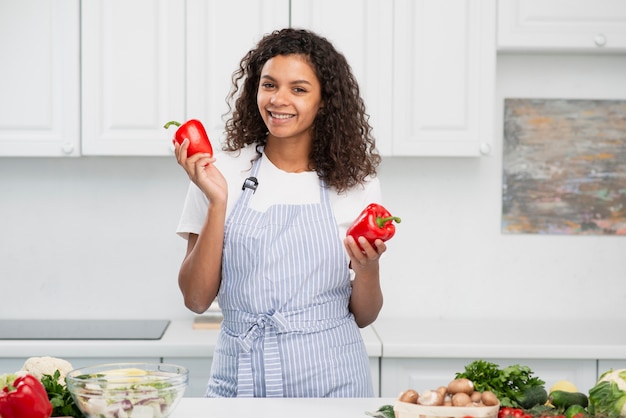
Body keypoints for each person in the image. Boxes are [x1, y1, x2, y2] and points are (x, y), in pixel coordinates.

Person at [174, 28, 386, 398]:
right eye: (269, 85)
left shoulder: (356, 184)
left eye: (299, 89)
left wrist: (368, 269)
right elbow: (196, 299)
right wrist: (217, 203)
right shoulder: (217, 172)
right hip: (240, 378)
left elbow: (365, 316)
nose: (279, 99)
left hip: (334, 383)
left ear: (325, 102)